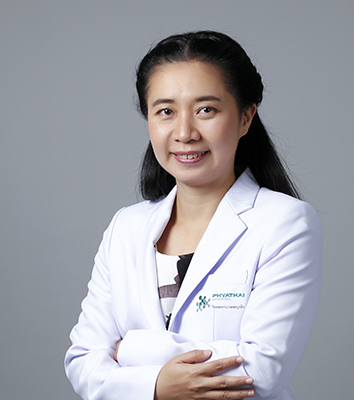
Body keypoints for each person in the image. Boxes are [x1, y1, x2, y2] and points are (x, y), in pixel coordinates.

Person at [65, 31, 322, 400]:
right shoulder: (126, 228)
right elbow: (83, 361)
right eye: (165, 112)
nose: (184, 133)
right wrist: (157, 386)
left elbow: (262, 369)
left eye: (206, 110)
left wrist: (131, 351)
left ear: (246, 117)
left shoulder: (286, 223)